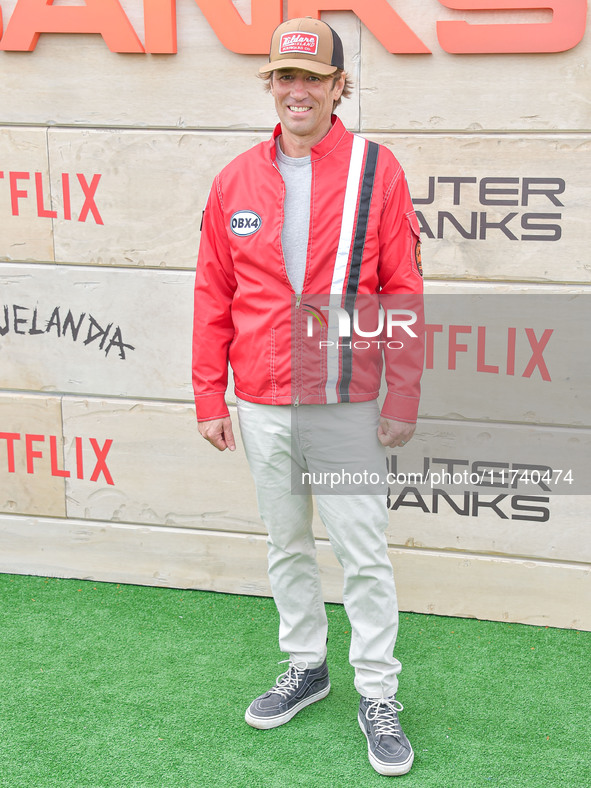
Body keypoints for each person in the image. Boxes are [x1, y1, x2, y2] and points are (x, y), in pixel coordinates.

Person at [192, 17, 424, 777]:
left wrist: (401, 395)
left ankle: (378, 693)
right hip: (259, 399)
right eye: (284, 79)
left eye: (312, 79)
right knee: (285, 542)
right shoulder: (234, 179)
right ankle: (306, 666)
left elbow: (401, 288)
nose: (297, 91)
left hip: (346, 400)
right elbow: (213, 293)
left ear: (335, 87)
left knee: (362, 554)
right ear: (273, 86)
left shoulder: (373, 168)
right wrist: (207, 394)